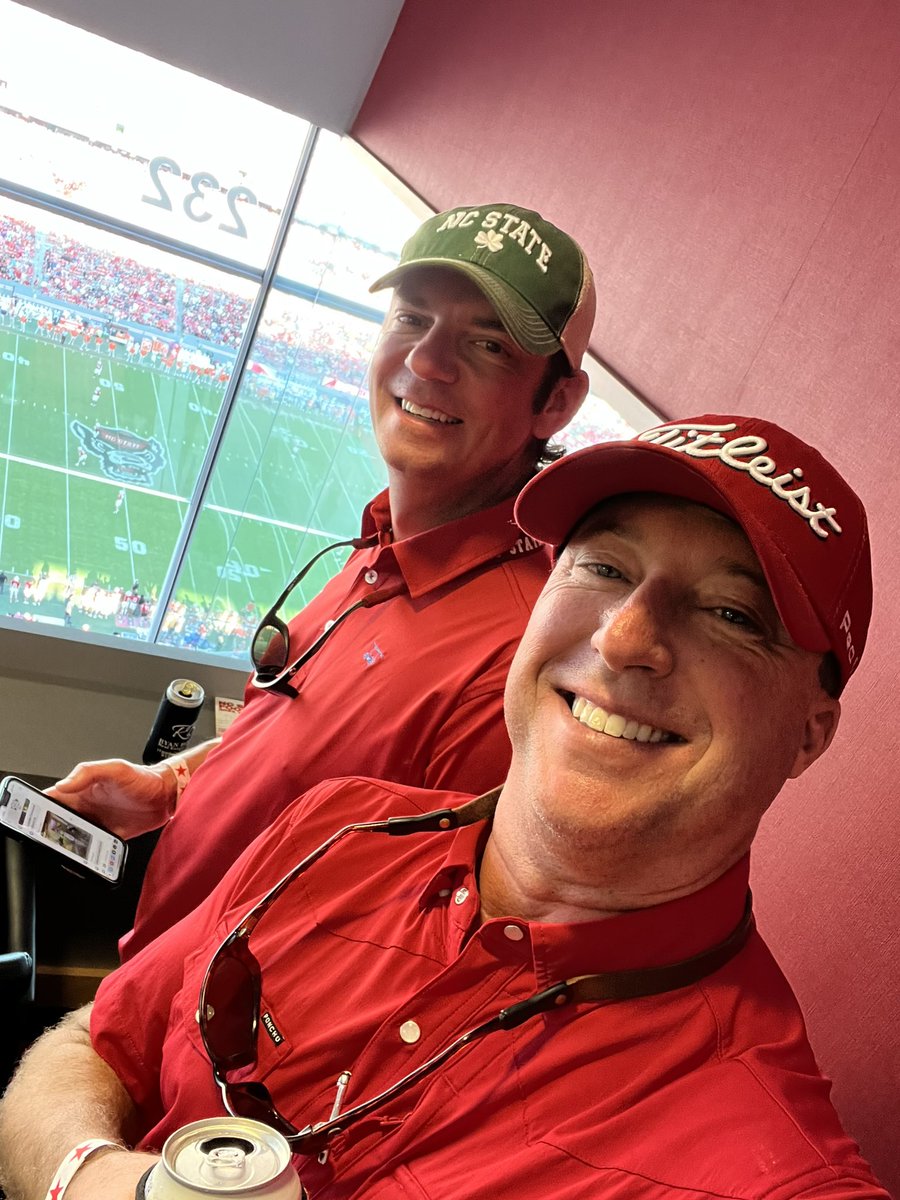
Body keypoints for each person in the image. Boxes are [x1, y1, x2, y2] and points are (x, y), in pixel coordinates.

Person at [0, 413, 887, 1200]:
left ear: (810, 733)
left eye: (732, 613)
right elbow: (96, 1043)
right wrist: (93, 1176)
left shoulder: (770, 1163)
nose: (625, 638)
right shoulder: (335, 827)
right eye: (604, 566)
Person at [47, 203, 594, 961]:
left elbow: (389, 955)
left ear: (557, 402)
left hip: (201, 1054)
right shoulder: (385, 542)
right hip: (147, 984)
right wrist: (172, 786)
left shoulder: (513, 664)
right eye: (412, 318)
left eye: (488, 345)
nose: (429, 362)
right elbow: (298, 741)